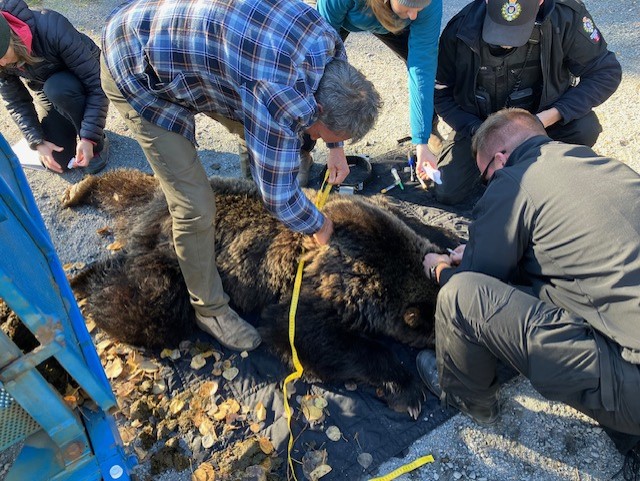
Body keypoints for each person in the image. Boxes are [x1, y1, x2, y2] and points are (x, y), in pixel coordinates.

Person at [101, 0, 381, 352]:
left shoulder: (329, 47)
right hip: (136, 67)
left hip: (203, 53)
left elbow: (301, 121)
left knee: (282, 147)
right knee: (194, 206)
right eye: (328, 134)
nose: (327, 142)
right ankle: (210, 309)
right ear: (318, 107)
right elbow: (279, 197)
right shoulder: (277, 93)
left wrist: (336, 148)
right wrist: (317, 224)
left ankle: (259, 189)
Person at [418, 109, 640, 474]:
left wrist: (442, 270)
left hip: (632, 385)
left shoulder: (515, 179)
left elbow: (478, 277)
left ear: (501, 158)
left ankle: (468, 398)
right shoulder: (597, 163)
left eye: (487, 175)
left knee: (461, 295)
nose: (490, 184)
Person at [429, 0, 622, 205]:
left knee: (585, 127)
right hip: (481, 127)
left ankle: (548, 176)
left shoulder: (566, 17)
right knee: (448, 191)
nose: (506, 42)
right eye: (500, 28)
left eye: (516, 30)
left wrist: (546, 119)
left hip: (544, 122)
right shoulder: (460, 30)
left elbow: (605, 72)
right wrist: (478, 131)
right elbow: (441, 93)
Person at [316, 0, 443, 176]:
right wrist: (335, 144)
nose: (415, 15)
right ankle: (303, 148)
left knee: (437, 68)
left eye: (420, 7)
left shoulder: (427, 5)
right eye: (410, 7)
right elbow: (321, 61)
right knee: (316, 75)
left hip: (395, 21)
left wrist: (421, 140)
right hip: (342, 16)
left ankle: (428, 128)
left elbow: (422, 67)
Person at [0, 0, 108, 174]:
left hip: (78, 79)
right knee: (60, 161)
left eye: (3, 55)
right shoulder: (1, 61)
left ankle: (97, 142)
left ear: (12, 37)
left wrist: (89, 138)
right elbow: (15, 101)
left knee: (57, 88)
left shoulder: (52, 27)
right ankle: (79, 123)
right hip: (45, 87)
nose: (3, 63)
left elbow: (97, 84)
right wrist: (37, 141)